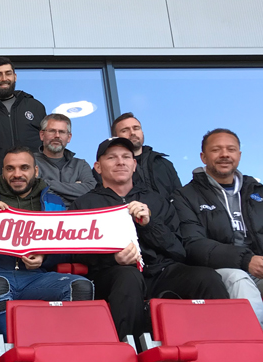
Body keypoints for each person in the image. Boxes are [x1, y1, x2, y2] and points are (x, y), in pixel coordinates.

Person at [71, 137, 228, 338]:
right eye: (112, 157)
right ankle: (129, 357)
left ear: (134, 164)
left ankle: (224, 349)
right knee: (128, 277)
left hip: (159, 272)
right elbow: (75, 254)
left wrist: (149, 224)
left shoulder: (156, 200)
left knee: (207, 278)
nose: (120, 162)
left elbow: (178, 251)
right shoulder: (84, 205)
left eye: (126, 157)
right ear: (98, 167)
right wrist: (113, 259)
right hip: (113, 276)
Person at [0, 146, 93, 335]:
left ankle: (67, 350)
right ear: (2, 171)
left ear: (35, 171)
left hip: (37, 278)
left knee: (81, 286)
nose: (17, 174)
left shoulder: (54, 203)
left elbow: (68, 248)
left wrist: (45, 257)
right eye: (10, 168)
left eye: (24, 168)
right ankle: (7, 353)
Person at [171, 129, 263, 328]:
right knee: (239, 280)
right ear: (203, 157)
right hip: (221, 269)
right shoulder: (185, 195)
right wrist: (246, 260)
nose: (224, 155)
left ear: (239, 155)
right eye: (216, 150)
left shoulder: (258, 192)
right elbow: (193, 245)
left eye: (231, 149)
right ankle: (254, 349)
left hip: (259, 267)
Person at [0, 57, 46, 178]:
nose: (4, 78)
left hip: (34, 182)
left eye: (8, 73)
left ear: (15, 76)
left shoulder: (35, 106)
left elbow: (47, 144)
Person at [98, 112, 182, 202]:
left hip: (165, 215)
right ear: (115, 137)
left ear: (142, 132)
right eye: (125, 130)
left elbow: (179, 199)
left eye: (136, 128)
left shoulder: (164, 164)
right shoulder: (106, 168)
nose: (132, 133)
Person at [33, 113, 96, 206]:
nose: (57, 136)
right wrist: (75, 189)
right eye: (52, 131)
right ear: (42, 135)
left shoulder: (80, 165)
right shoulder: (30, 162)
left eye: (62, 132)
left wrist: (44, 183)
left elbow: (91, 191)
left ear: (69, 137)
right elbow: (32, 192)